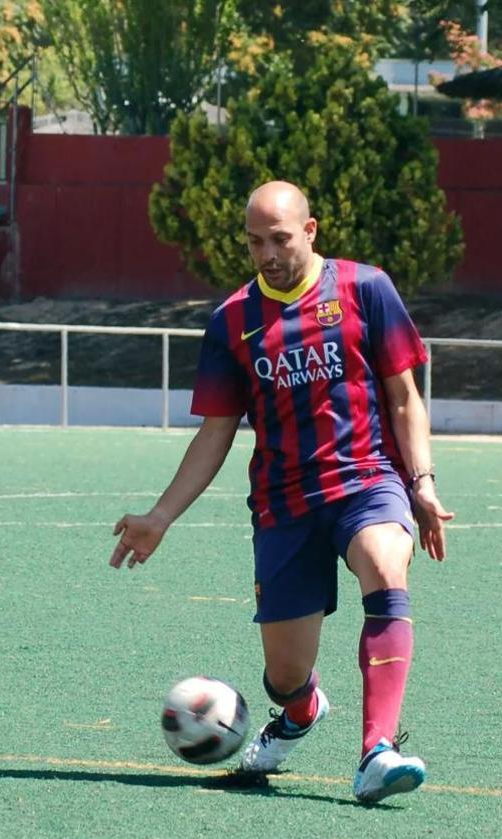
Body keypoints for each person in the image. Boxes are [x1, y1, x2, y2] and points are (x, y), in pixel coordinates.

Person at [110, 181, 453, 805]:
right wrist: (161, 516)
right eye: (254, 242)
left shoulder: (365, 288)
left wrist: (423, 483)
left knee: (384, 564)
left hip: (366, 480)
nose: (266, 253)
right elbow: (216, 433)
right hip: (284, 504)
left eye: (279, 239)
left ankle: (377, 750)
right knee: (285, 674)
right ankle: (301, 711)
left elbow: (404, 397)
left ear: (311, 230)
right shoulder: (233, 321)